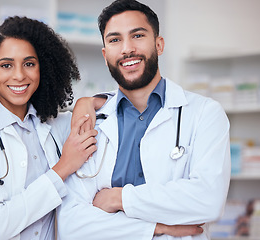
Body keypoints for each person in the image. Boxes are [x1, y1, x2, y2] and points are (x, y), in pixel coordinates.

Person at [57, 0, 231, 239]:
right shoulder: (89, 122)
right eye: (115, 39)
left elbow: (208, 200)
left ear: (158, 44)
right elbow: (71, 224)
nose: (127, 49)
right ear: (105, 54)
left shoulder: (205, 114)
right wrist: (155, 228)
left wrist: (118, 199)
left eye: (137, 35)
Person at [0, 16, 104, 240]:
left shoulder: (57, 125)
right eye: (6, 65)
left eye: (29, 64)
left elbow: (120, 103)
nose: (19, 75)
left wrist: (87, 101)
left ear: (41, 68)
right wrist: (63, 167)